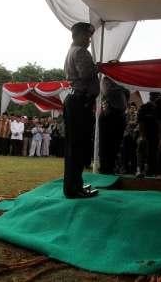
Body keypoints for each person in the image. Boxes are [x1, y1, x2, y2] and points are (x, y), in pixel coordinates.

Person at [63, 22, 99, 198]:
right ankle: (74, 188)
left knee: (74, 147)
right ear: (76, 36)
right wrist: (98, 67)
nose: (89, 40)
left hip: (75, 99)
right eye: (86, 35)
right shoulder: (81, 52)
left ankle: (74, 185)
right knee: (78, 146)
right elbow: (85, 74)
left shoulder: (72, 51)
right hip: (80, 101)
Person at [98, 77, 128, 174]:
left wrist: (122, 88)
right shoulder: (106, 78)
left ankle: (111, 167)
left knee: (116, 144)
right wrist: (122, 88)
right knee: (106, 145)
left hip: (120, 114)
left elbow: (127, 92)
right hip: (109, 114)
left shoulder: (119, 78)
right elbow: (108, 91)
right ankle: (105, 169)